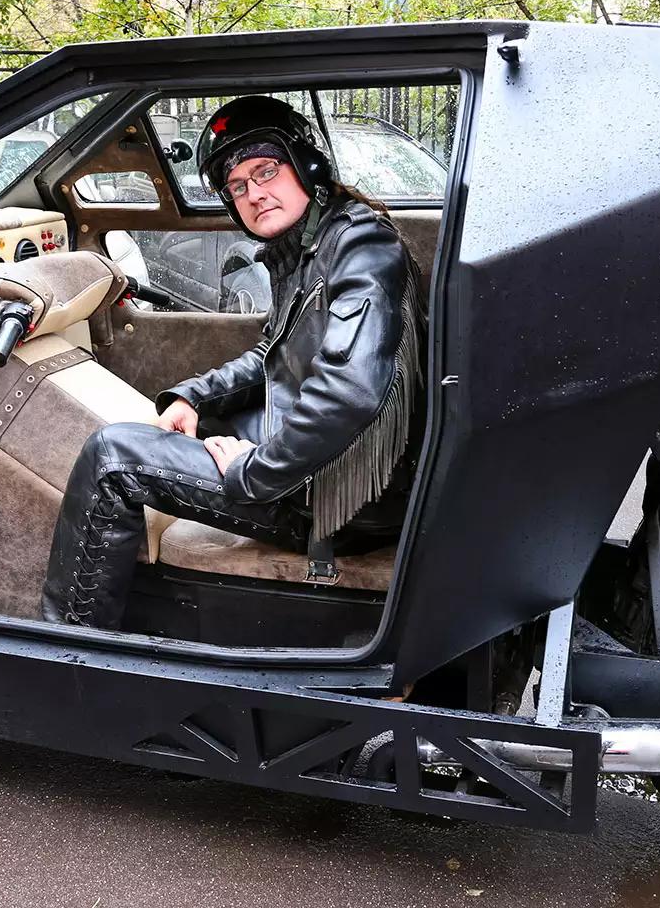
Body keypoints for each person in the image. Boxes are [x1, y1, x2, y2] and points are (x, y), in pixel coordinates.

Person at [41, 95, 425, 629]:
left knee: (112, 457)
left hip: (342, 497)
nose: (254, 193)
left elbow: (348, 392)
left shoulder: (361, 245)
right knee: (170, 429)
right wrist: (194, 397)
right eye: (238, 186)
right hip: (332, 469)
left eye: (266, 170)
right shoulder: (310, 245)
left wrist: (253, 470)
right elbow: (274, 353)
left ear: (307, 166)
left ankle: (69, 646)